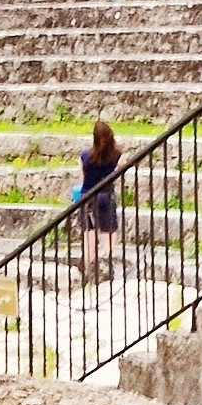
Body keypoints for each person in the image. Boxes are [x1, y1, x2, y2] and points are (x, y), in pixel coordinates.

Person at [73, 117, 122, 286]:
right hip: (107, 196)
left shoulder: (85, 156)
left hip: (88, 197)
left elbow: (81, 180)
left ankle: (88, 272)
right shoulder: (116, 155)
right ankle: (107, 268)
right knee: (108, 234)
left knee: (89, 236)